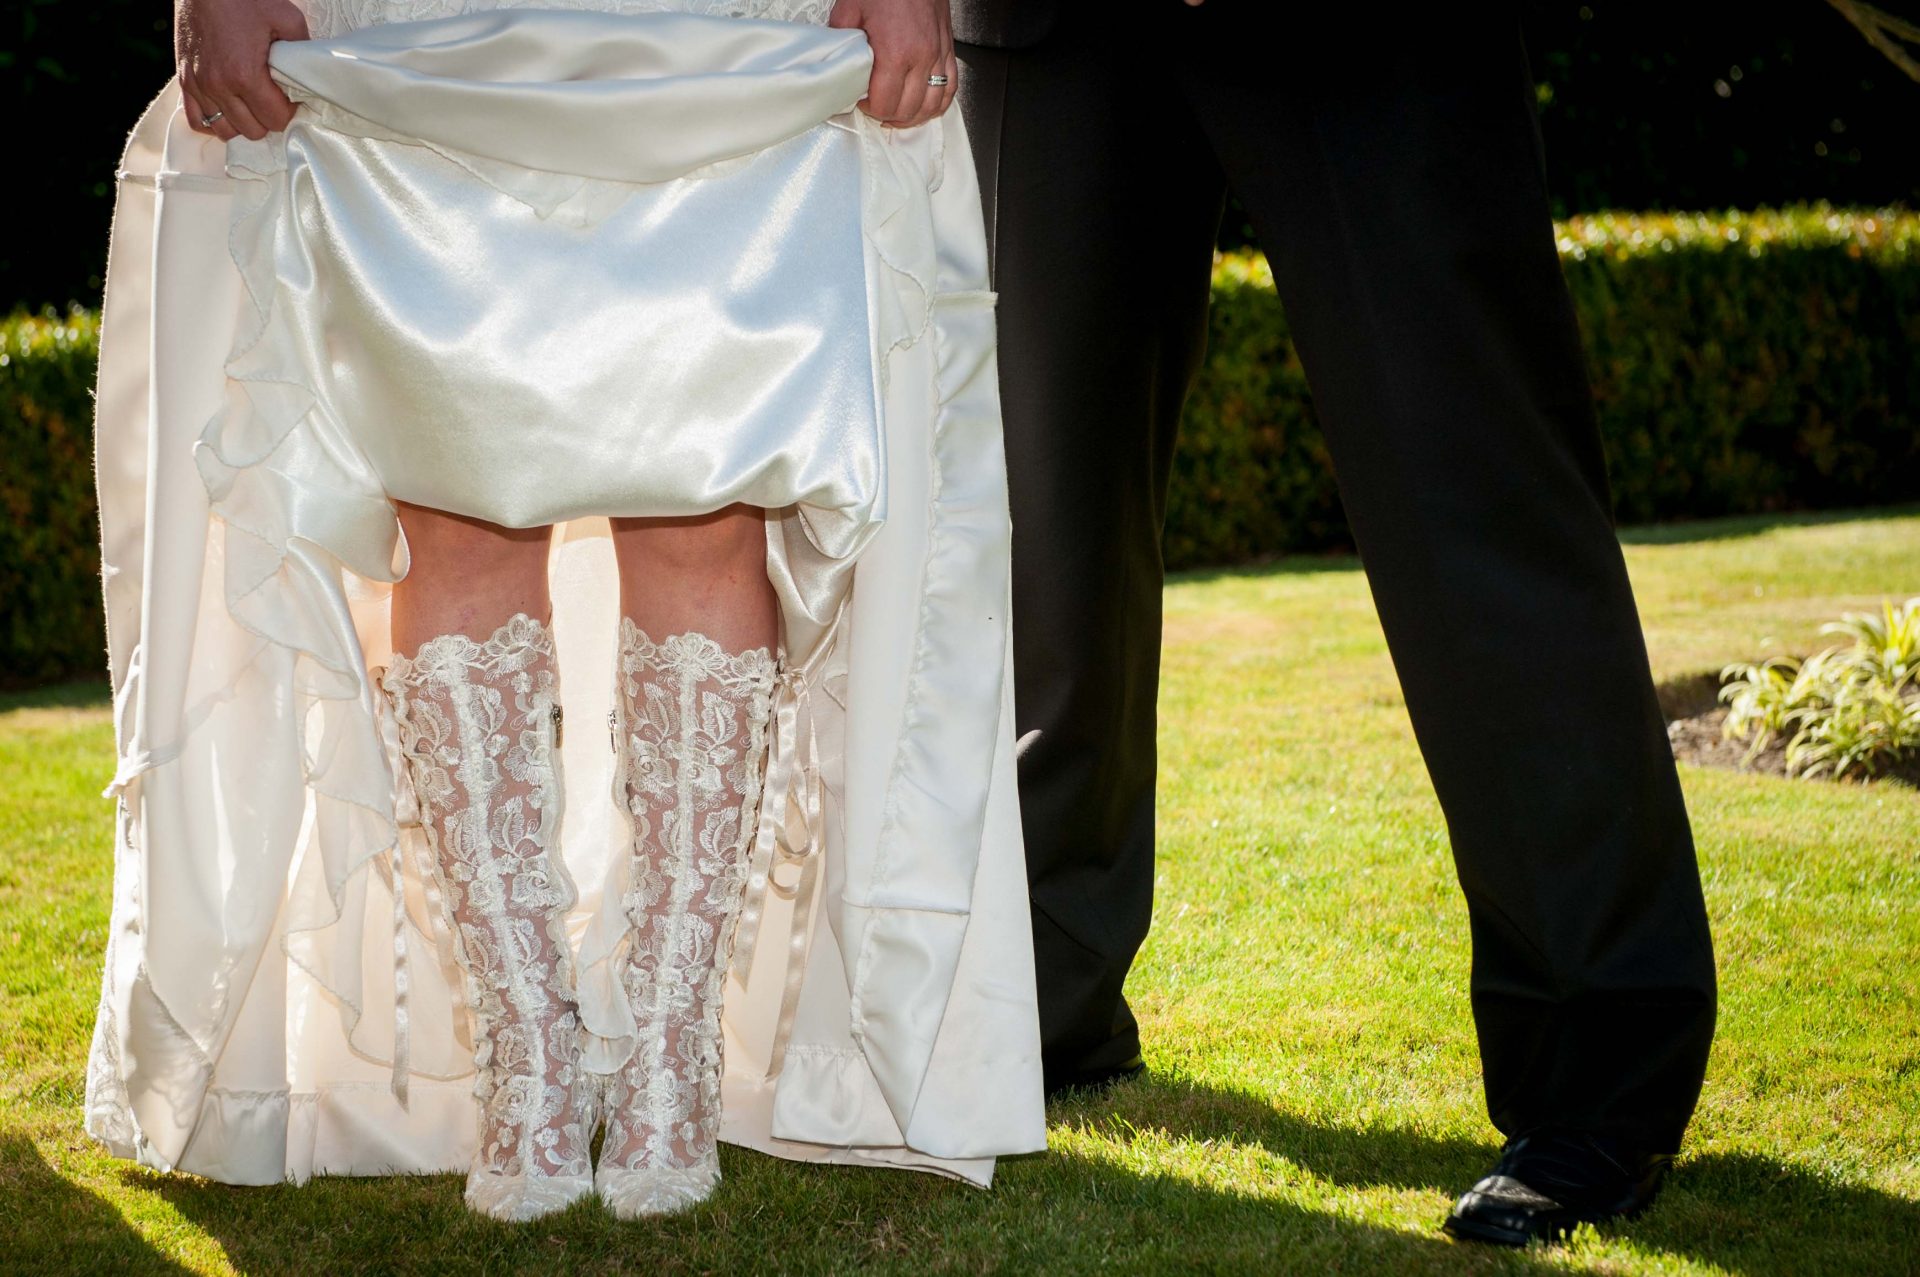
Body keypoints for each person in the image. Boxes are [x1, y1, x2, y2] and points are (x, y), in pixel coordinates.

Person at [84, 0, 1044, 1224]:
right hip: (439, 30)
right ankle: (527, 1043)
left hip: (713, 32)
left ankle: (669, 1042)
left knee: (708, 480)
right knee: (458, 478)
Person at [952, 0, 1718, 1247]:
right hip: (1054, 22)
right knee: (1038, 530)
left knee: (1479, 510)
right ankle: (1037, 1002)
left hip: (1371, 25)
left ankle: (1600, 1071)